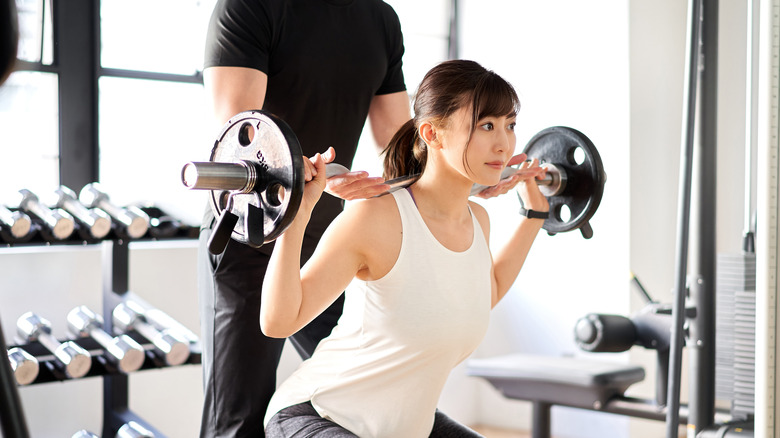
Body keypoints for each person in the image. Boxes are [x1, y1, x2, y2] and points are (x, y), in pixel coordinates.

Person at [261, 59, 548, 437]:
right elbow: (279, 322)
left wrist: (535, 214)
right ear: (432, 133)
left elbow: (484, 292)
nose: (504, 143)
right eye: (486, 126)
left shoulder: (477, 220)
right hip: (321, 414)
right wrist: (296, 215)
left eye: (510, 125)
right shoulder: (375, 218)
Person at [198, 0, 411, 436]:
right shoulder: (249, 7)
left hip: (330, 241)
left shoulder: (381, 20)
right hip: (251, 234)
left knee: (362, 390)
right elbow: (243, 138)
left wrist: (469, 173)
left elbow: (401, 146)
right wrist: (309, 171)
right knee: (240, 416)